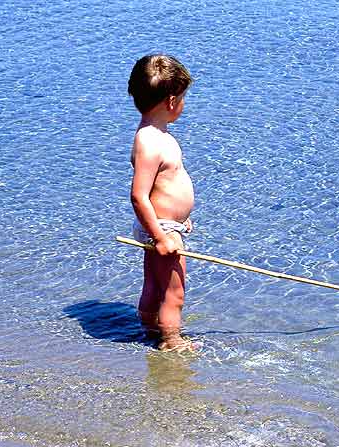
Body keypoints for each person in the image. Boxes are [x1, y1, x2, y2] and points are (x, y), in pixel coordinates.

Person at [127, 54, 199, 352]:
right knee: (174, 291)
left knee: (155, 284)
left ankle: (148, 327)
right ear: (172, 102)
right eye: (183, 98)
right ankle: (171, 341)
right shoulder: (150, 141)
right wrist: (161, 235)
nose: (183, 104)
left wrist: (180, 219)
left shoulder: (156, 134)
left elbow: (163, 187)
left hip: (167, 225)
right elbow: (138, 195)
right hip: (162, 229)